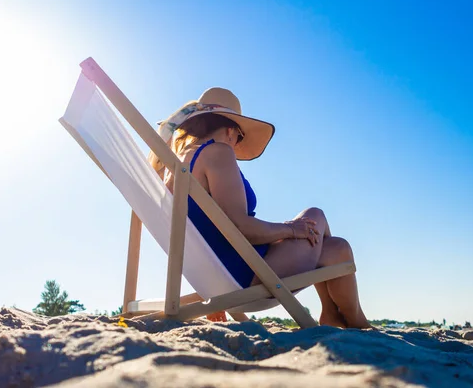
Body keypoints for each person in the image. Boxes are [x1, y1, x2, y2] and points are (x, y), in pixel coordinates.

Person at [149, 87, 371, 329]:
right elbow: (241, 228)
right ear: (231, 131)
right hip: (248, 274)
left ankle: (332, 313)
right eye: (240, 137)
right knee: (316, 215)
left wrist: (212, 283)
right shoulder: (217, 153)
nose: (236, 144)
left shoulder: (175, 165)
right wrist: (290, 229)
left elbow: (207, 233)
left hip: (224, 273)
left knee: (338, 248)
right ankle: (354, 320)